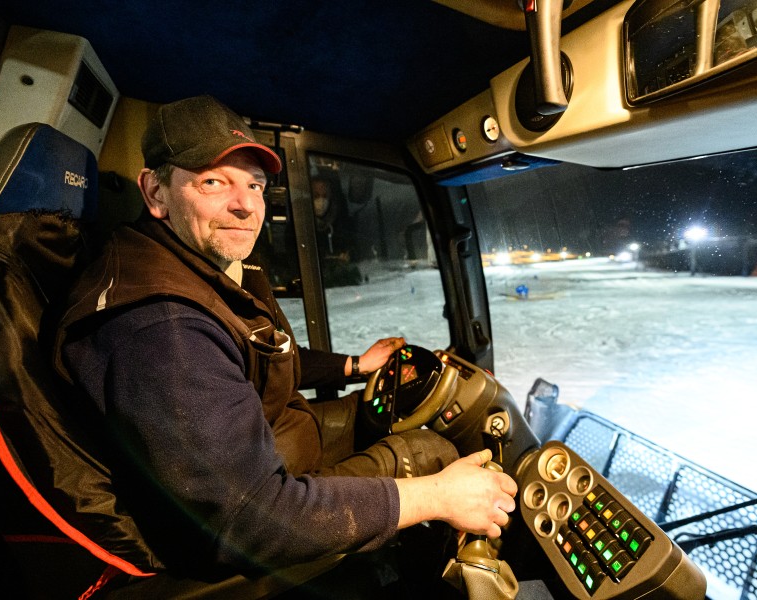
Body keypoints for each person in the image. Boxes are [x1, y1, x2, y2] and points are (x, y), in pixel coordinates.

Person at [52, 95, 516, 580]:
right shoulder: (163, 332)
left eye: (254, 184)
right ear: (156, 192)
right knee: (428, 453)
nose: (245, 205)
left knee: (381, 408)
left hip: (273, 443)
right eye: (214, 182)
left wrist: (353, 366)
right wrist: (439, 495)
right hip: (262, 504)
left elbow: (263, 352)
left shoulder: (199, 265)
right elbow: (249, 518)